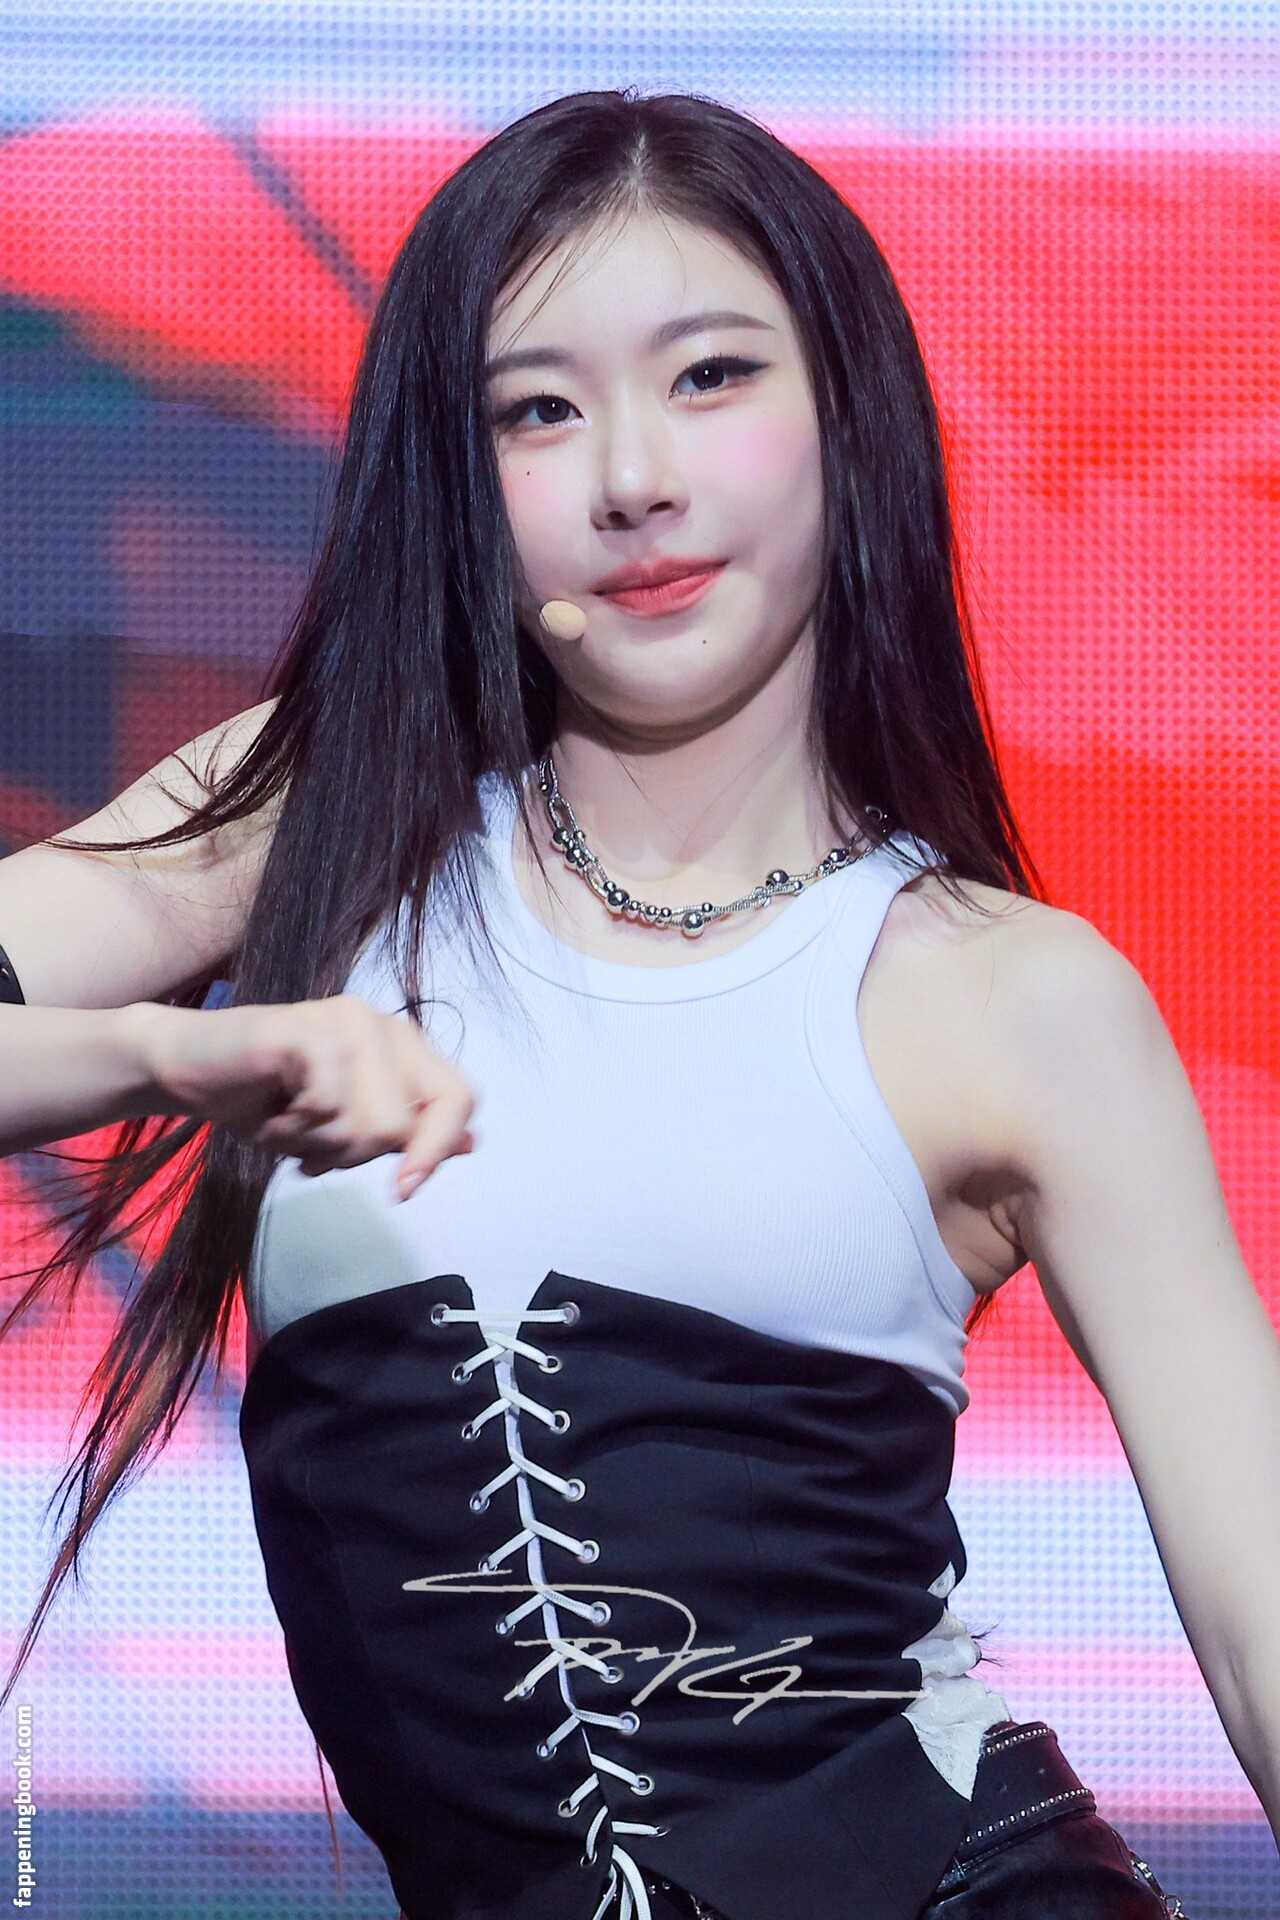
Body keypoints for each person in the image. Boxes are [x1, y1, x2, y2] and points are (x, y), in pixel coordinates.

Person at [0, 87, 1272, 1920]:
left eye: (711, 376)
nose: (633, 478)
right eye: (538, 408)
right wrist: (171, 1053)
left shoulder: (1011, 995)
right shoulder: (314, 824)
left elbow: (1256, 1619)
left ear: (849, 414)